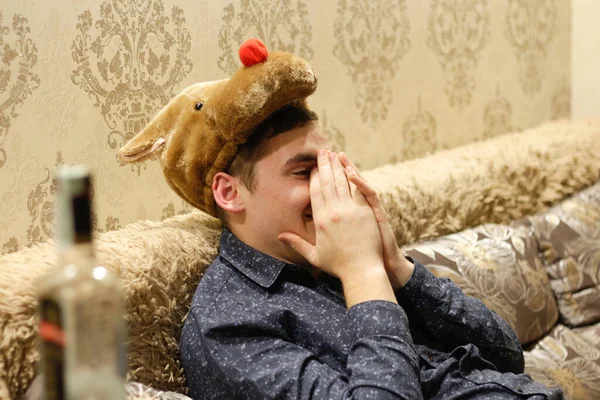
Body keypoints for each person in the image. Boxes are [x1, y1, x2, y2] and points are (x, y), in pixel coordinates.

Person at [178, 105, 564, 399]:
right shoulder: (226, 325)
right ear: (230, 193)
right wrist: (363, 273)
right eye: (303, 172)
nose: (335, 187)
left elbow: (507, 353)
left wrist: (396, 267)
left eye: (330, 168)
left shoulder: (338, 249)